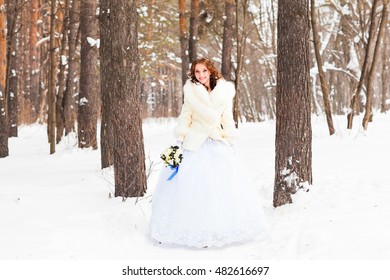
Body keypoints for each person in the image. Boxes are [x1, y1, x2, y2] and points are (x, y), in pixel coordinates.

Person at [149, 57, 267, 248]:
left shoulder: (224, 92)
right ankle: (192, 230)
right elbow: (185, 114)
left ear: (210, 71)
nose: (201, 75)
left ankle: (220, 229)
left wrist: (230, 137)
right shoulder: (191, 91)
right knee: (192, 188)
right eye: (197, 72)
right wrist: (181, 135)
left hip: (216, 141)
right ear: (193, 74)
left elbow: (227, 118)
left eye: (204, 71)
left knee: (220, 188)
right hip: (195, 142)